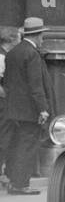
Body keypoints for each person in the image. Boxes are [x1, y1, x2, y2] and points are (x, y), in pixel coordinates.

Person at [2, 17, 55, 195]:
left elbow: (9, 82)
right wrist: (43, 109)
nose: (43, 39)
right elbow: (35, 85)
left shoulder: (13, 52)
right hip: (29, 110)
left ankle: (13, 180)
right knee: (27, 146)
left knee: (17, 144)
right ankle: (21, 184)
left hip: (13, 108)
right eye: (42, 36)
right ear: (38, 35)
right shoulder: (32, 54)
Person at [0, 25, 17, 187]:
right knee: (4, 137)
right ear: (11, 40)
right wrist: (6, 95)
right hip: (3, 104)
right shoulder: (2, 57)